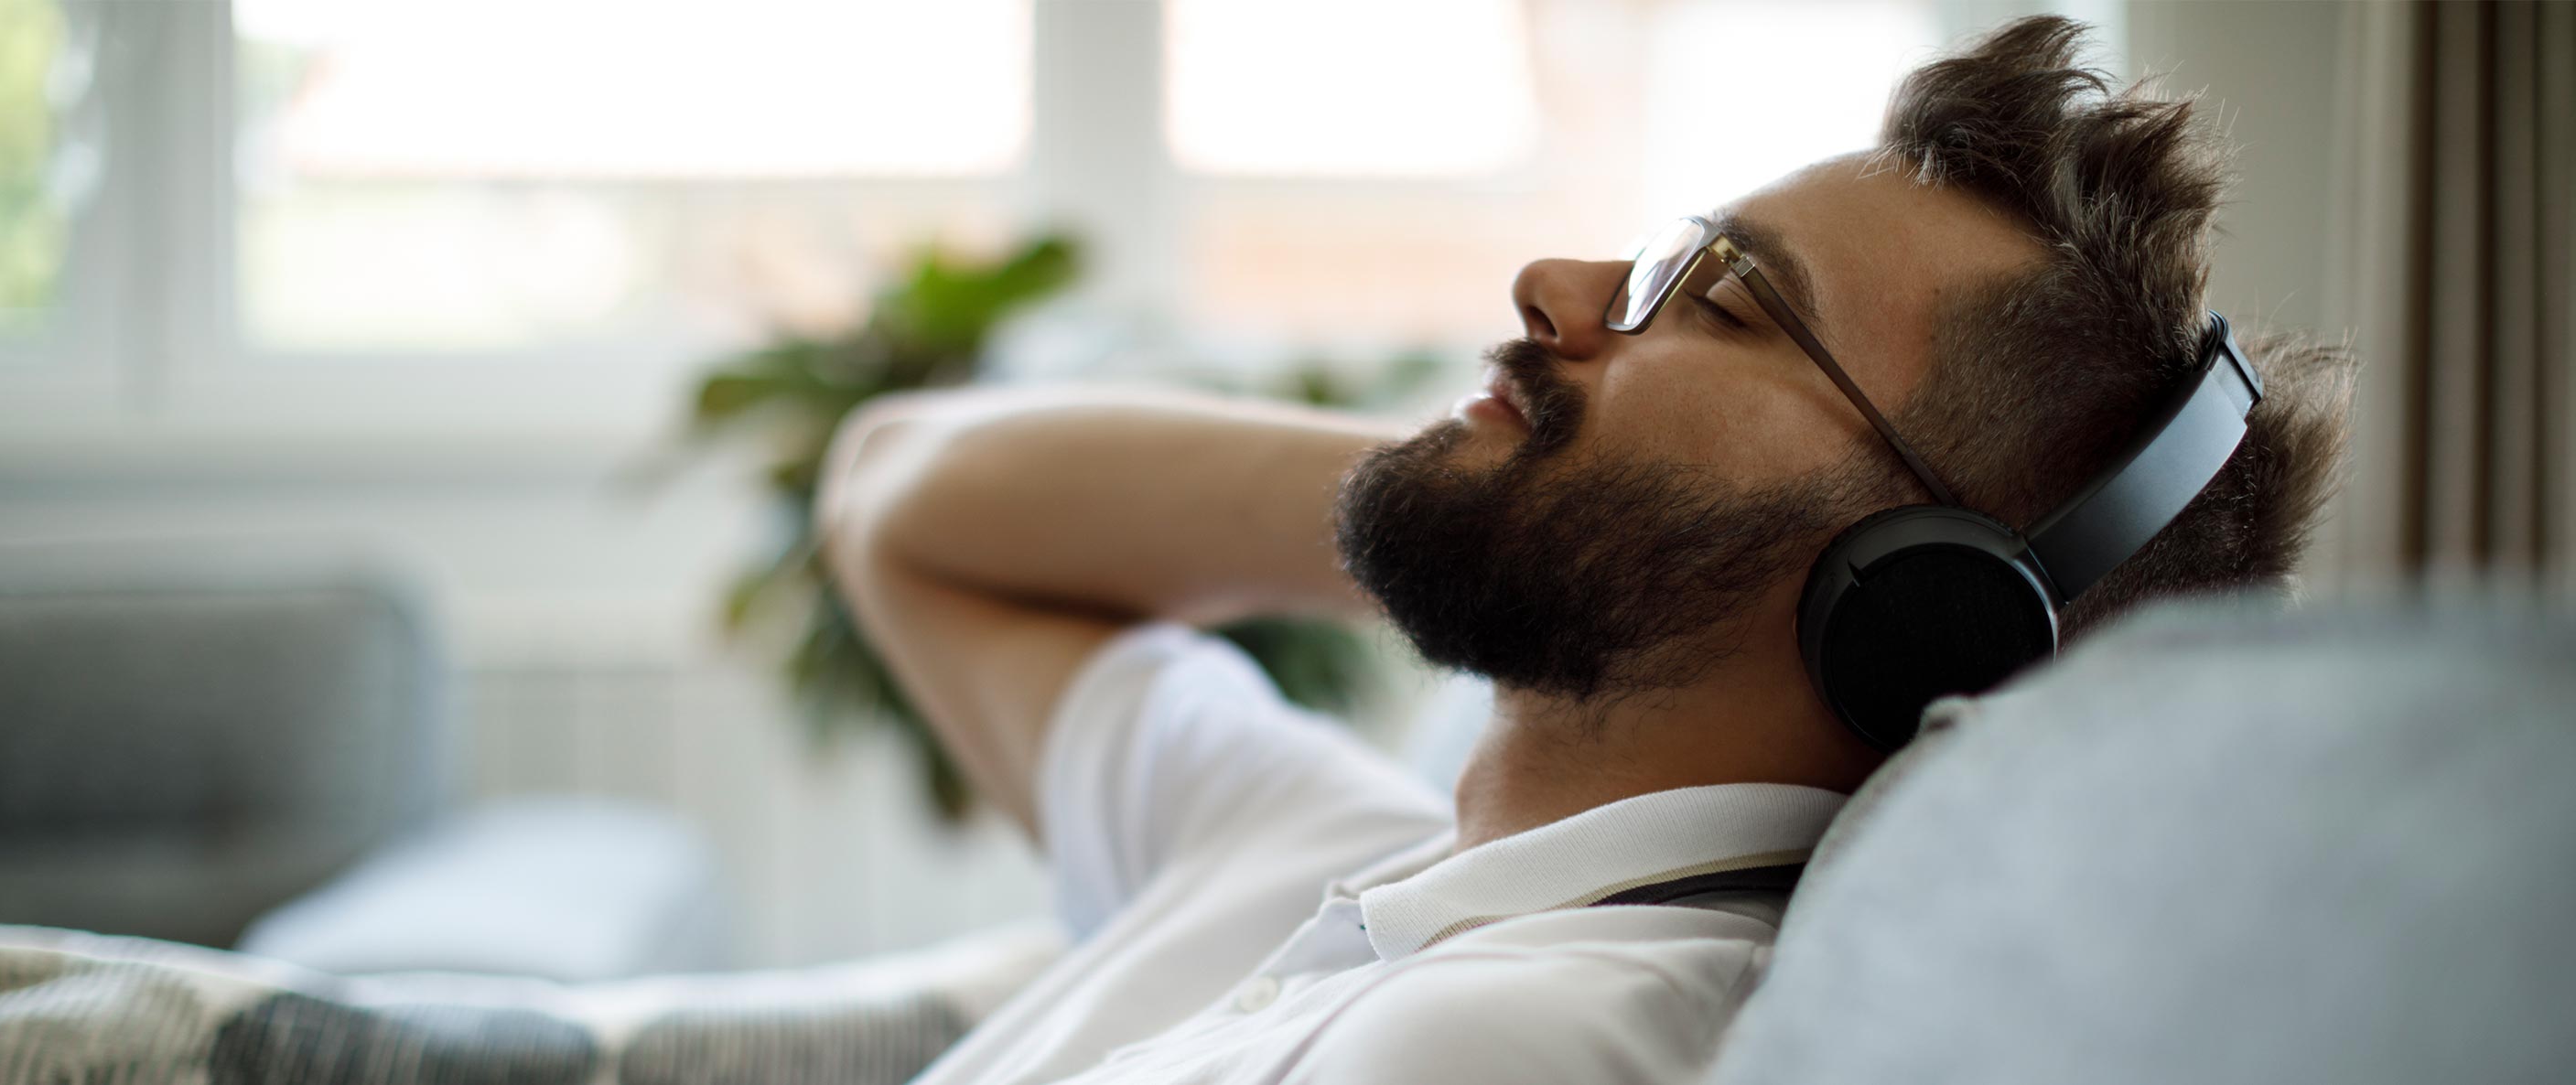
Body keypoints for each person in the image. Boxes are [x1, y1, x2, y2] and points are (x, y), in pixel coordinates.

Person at [821, 16, 2355, 1085]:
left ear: (1926, 608)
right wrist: (1521, 503)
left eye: (1726, 302)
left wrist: (1553, 489)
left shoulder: (1529, 1043)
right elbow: (907, 497)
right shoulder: (1330, 857)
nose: (1558, 282)